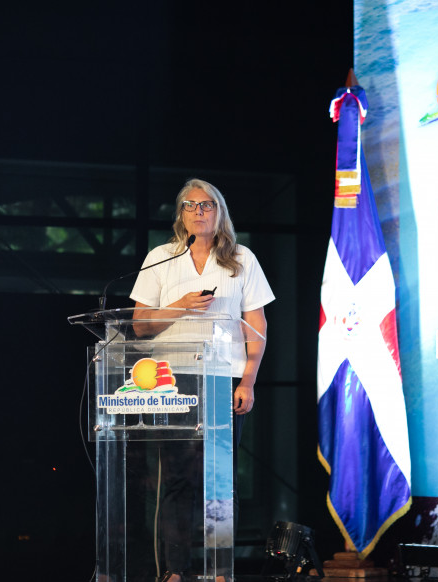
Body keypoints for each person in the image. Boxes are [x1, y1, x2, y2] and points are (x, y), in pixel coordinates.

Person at [130, 178, 275, 582]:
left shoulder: (241, 258)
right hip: (171, 381)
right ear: (181, 214)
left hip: (223, 378)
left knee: (220, 479)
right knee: (177, 480)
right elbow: (139, 326)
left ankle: (221, 570)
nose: (199, 211)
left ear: (219, 212)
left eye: (207, 204)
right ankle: (176, 570)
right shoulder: (161, 258)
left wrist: (248, 381)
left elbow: (257, 326)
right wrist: (179, 306)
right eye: (190, 205)